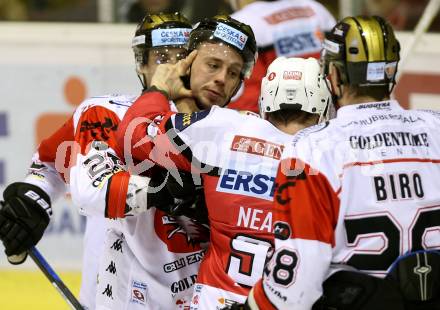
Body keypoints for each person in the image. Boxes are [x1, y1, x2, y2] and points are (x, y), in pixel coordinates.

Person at [115, 19, 332, 306]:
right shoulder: (333, 159)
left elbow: (135, 136)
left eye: (232, 72)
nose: (221, 79)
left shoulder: (225, 128)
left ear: (265, 99)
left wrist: (158, 88)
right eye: (213, 65)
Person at [0, 12, 199, 310]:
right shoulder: (106, 112)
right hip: (112, 296)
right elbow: (49, 163)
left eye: (182, 57)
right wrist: (35, 196)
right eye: (161, 57)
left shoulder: (220, 124)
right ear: (141, 64)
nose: (172, 67)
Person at [245, 16, 440, 309]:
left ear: (334, 75)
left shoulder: (311, 148)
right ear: (391, 69)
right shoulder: (436, 128)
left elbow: (296, 285)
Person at [227, 0, 335, 113]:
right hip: (325, 118)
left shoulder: (239, 24)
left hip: (275, 123)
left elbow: (247, 100)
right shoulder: (316, 9)